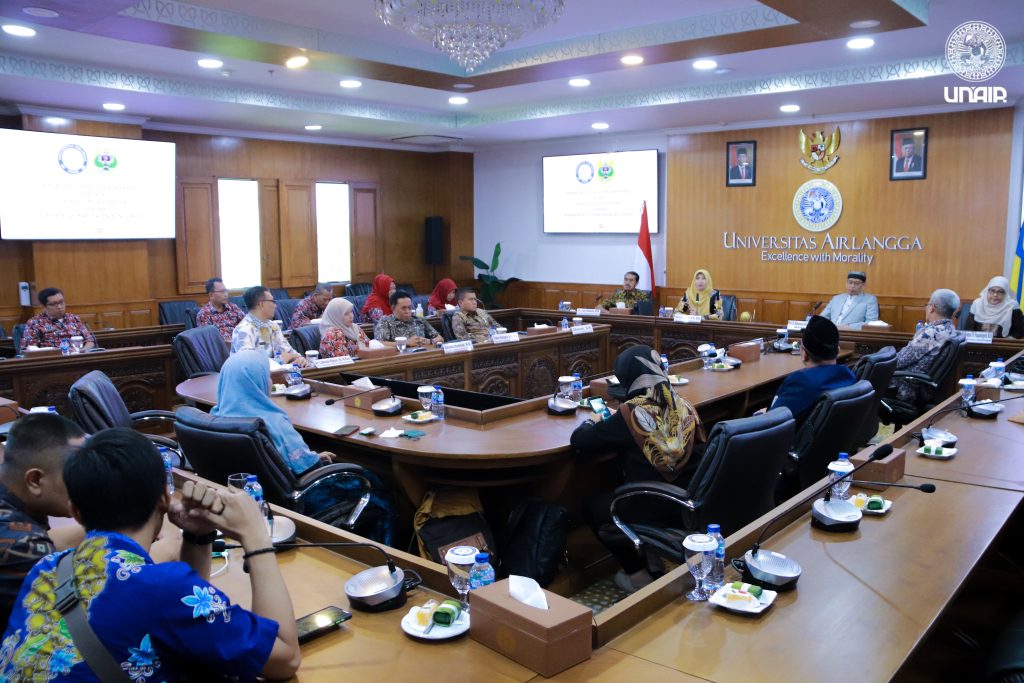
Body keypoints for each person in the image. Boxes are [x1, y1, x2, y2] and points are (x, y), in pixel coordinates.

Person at [0, 428, 301, 680]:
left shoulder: (45, 567)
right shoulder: (160, 586)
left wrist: (197, 535)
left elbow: (184, 615)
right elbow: (285, 658)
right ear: (164, 499)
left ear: (75, 513)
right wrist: (256, 536)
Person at [571, 346, 703, 593]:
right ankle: (653, 559)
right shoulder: (685, 405)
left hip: (653, 504)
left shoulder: (631, 411)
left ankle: (638, 577)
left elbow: (581, 442)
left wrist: (592, 421)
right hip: (689, 502)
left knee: (595, 507)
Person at [0, 414, 86, 625]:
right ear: (35, 480)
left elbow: (50, 538)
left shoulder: (13, 501)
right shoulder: (19, 544)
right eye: (77, 473)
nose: (87, 481)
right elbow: (98, 598)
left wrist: (124, 515)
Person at [213, 351, 335, 473]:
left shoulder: (214, 417)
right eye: (267, 376)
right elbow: (307, 467)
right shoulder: (274, 423)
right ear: (256, 382)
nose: (271, 382)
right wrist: (315, 459)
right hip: (292, 489)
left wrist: (313, 456)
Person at [767, 316, 856, 427]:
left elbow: (771, 423)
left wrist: (762, 415)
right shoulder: (849, 375)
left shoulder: (801, 382)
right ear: (837, 351)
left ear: (803, 354)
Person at [891, 289, 960, 404]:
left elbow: (899, 361)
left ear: (932, 307)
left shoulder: (931, 333)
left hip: (905, 387)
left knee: (867, 375)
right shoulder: (950, 329)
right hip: (924, 386)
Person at [231, 285, 306, 366]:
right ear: (261, 304)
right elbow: (248, 365)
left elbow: (288, 351)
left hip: (276, 374)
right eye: (273, 301)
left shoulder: (273, 326)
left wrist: (299, 358)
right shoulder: (244, 330)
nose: (275, 305)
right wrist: (280, 360)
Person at [23, 287, 95, 351]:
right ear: (44, 306)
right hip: (53, 361)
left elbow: (89, 340)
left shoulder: (74, 318)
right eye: (54, 304)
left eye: (61, 302)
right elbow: (30, 348)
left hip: (78, 358)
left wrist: (82, 352)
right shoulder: (35, 322)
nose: (60, 307)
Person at [374, 291, 443, 347]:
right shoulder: (385, 322)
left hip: (422, 356)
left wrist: (429, 341)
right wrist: (406, 343)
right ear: (393, 308)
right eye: (403, 308)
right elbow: (378, 344)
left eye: (409, 308)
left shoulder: (418, 320)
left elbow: (440, 339)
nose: (408, 311)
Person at [195, 277, 245, 342]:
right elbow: (208, 340)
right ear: (211, 295)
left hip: (241, 343)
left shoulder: (233, 307)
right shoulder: (204, 314)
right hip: (220, 348)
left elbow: (247, 324)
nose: (226, 294)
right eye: (222, 292)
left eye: (226, 291)